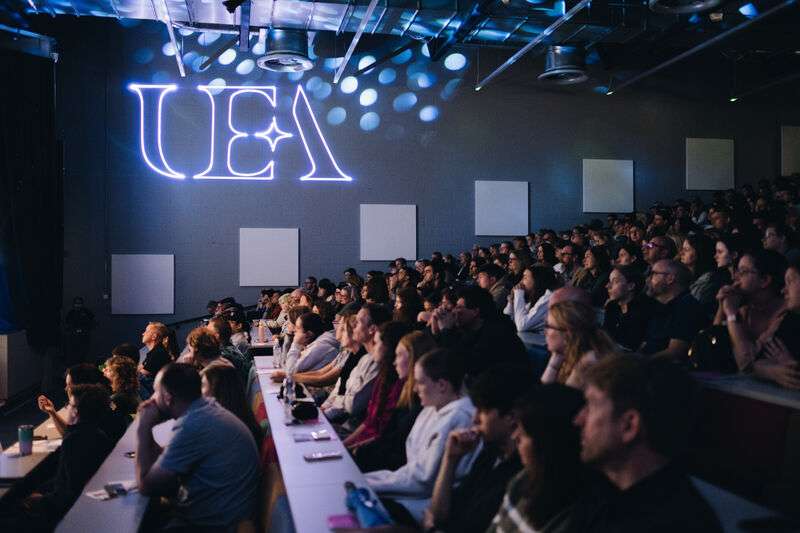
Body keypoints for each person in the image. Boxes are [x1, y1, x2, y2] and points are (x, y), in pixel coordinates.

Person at [571, 354, 722, 532]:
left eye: (592, 405)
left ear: (629, 426)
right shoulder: (604, 495)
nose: (578, 420)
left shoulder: (672, 524)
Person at [135, 363, 260, 530]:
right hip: (228, 515)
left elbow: (146, 485)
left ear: (167, 397)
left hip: (213, 526)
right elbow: (164, 460)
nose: (151, 399)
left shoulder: (193, 424)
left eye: (156, 392)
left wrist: (143, 428)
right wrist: (149, 430)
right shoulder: (207, 410)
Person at [365, 348, 480, 524]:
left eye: (420, 382)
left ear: (441, 385)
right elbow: (413, 468)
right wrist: (367, 480)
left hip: (425, 505)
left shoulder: (460, 416)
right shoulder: (431, 408)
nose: (415, 388)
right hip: (411, 491)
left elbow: (423, 479)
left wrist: (368, 483)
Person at [424, 366, 530, 533]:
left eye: (483, 411)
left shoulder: (518, 474)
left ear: (510, 417)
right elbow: (438, 514)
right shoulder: (491, 452)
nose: (474, 419)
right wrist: (450, 459)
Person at [487, 384, 590, 533]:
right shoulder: (523, 480)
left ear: (546, 443)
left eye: (524, 433)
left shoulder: (575, 515)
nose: (515, 437)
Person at [19, 384, 114, 528]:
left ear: (76, 412)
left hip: (62, 515)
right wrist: (52, 412)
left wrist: (41, 499)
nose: (67, 408)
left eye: (69, 404)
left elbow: (69, 493)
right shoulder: (97, 434)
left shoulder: (74, 442)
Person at [353, 330, 438, 472]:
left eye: (399, 356)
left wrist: (356, 451)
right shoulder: (403, 387)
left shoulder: (420, 399)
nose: (394, 361)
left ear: (413, 358)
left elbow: (395, 441)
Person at [714, 250, 787, 371]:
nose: (734, 277)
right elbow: (713, 344)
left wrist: (731, 313)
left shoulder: (785, 314)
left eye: (742, 272)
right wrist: (722, 307)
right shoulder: (745, 311)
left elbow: (747, 362)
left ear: (765, 280)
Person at [343, 321, 413, 448]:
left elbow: (383, 434)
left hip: (376, 449)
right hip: (363, 442)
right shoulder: (383, 377)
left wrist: (351, 449)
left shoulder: (401, 384)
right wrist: (344, 445)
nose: (372, 346)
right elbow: (369, 421)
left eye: (376, 343)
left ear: (389, 347)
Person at [322, 304, 391, 424]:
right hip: (337, 417)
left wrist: (325, 414)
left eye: (358, 323)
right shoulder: (364, 358)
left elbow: (353, 404)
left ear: (372, 329)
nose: (353, 328)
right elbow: (342, 392)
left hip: (348, 424)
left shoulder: (378, 362)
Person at [640, 260, 707, 360]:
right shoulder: (658, 307)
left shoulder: (687, 306)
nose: (648, 279)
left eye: (653, 274)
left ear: (670, 279)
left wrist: (641, 363)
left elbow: (676, 351)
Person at [541, 301, 616, 388]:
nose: (545, 332)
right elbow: (543, 397)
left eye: (548, 326)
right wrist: (553, 365)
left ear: (568, 334)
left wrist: (553, 367)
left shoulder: (590, 363)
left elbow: (561, 400)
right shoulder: (566, 356)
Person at [752, 260, 800, 389]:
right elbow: (757, 363)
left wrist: (794, 369)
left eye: (790, 282)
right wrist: (774, 372)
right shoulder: (792, 319)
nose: (784, 290)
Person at [201, 364, 263, 446]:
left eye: (202, 385)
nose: (199, 391)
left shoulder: (222, 427)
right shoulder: (242, 416)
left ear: (217, 390)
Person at [603, 266, 656, 352]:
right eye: (609, 281)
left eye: (615, 281)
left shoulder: (645, 309)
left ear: (630, 286)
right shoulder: (612, 306)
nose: (608, 286)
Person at [504, 265, 557, 333]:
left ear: (537, 281)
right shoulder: (531, 299)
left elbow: (522, 326)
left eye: (525, 278)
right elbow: (506, 321)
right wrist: (511, 303)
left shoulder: (548, 299)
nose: (521, 282)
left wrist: (519, 294)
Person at [680, 234, 722, 314]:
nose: (681, 253)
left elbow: (689, 306)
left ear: (699, 251)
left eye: (687, 249)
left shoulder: (709, 279)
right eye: (682, 249)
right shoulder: (684, 274)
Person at [138, 322, 172, 398]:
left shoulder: (158, 353)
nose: (143, 334)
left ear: (154, 336)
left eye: (146, 331)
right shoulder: (153, 353)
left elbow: (139, 375)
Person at [63, 296, 95, 366]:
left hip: (84, 337)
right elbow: (67, 324)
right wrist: (72, 331)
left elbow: (93, 322)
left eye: (79, 303)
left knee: (84, 354)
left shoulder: (87, 312)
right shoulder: (71, 313)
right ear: (74, 304)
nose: (78, 305)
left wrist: (85, 330)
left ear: (82, 304)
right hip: (73, 338)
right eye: (76, 303)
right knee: (74, 355)